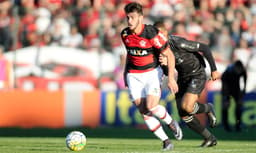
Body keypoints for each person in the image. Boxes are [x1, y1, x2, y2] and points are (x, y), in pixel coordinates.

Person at [120, 2, 182, 151]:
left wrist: (171, 79)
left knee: (151, 106)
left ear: (140, 18)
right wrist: (125, 72)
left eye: (132, 17)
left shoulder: (152, 33)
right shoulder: (125, 34)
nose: (129, 21)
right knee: (143, 111)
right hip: (133, 75)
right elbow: (130, 54)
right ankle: (166, 141)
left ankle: (170, 122)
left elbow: (169, 55)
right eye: (127, 17)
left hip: (152, 73)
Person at [154, 21, 220, 147]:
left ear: (164, 33)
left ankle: (208, 108)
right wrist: (164, 65)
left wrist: (213, 69)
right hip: (182, 77)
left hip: (197, 74)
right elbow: (168, 73)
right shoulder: (158, 50)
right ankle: (210, 138)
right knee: (184, 114)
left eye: (157, 34)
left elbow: (204, 48)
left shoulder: (178, 42)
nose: (155, 38)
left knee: (187, 107)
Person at [221, 60, 247, 132]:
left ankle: (238, 125)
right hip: (227, 89)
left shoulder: (242, 70)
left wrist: (244, 90)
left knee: (239, 106)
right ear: (235, 68)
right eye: (237, 69)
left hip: (236, 89)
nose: (239, 71)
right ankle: (226, 126)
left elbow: (245, 80)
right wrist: (225, 96)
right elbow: (224, 84)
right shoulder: (228, 72)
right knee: (225, 106)